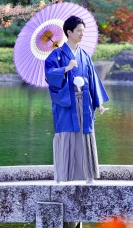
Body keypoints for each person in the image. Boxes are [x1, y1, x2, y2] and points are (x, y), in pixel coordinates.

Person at [44, 15, 109, 185]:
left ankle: (89, 176)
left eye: (83, 31)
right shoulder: (56, 55)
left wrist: (98, 103)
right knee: (66, 136)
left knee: (85, 136)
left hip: (85, 101)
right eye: (78, 30)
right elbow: (50, 76)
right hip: (66, 102)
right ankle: (61, 176)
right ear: (69, 32)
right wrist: (66, 68)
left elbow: (92, 78)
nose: (81, 34)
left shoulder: (85, 55)